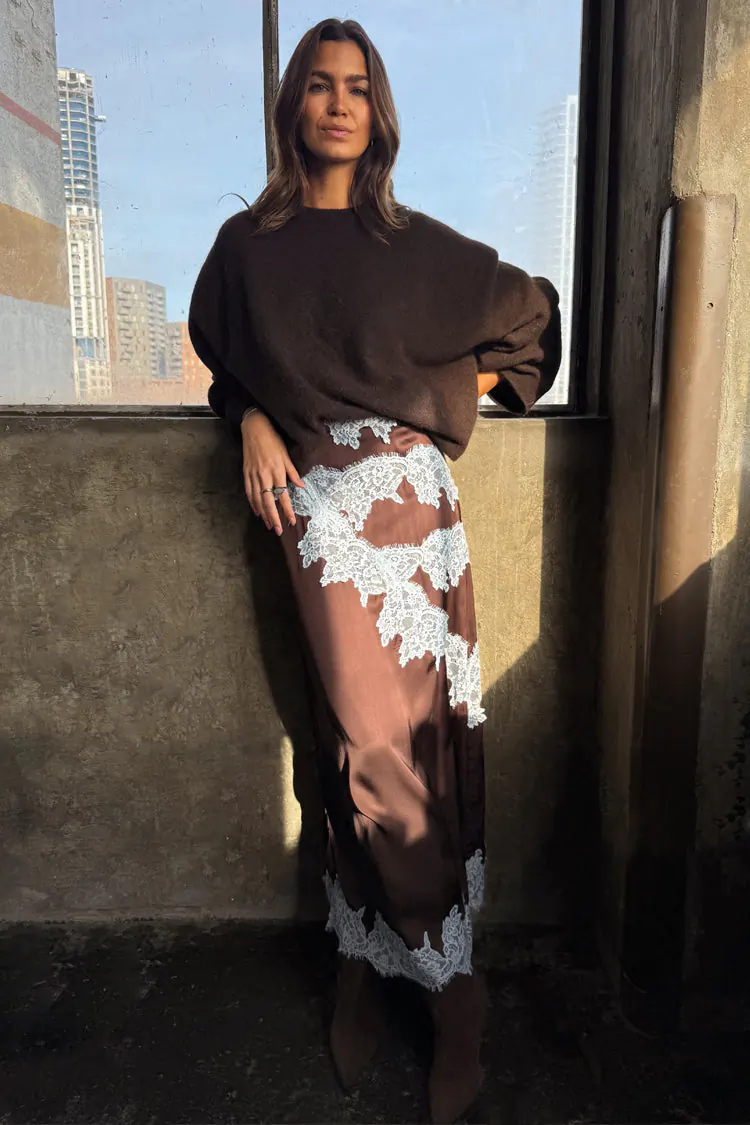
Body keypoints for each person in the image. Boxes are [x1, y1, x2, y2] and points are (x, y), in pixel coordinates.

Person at [189, 17, 561, 1123]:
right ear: (292, 106)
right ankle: (363, 951)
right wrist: (252, 416)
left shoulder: (412, 243)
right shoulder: (245, 247)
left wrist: (430, 409)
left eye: (358, 86)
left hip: (409, 512)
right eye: (319, 84)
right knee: (343, 738)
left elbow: (533, 320)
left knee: (399, 750)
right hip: (313, 521)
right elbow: (226, 361)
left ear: (379, 110)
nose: (340, 102)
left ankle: (451, 993)